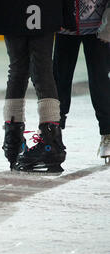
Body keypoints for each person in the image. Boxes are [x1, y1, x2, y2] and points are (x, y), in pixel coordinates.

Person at [0, 0, 75, 174]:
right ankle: (50, 141)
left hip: (11, 9)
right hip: (44, 8)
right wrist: (67, 12)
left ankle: (14, 139)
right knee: (42, 69)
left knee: (18, 69)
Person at [53, 0, 110, 164]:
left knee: (100, 80)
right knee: (59, 79)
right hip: (65, 24)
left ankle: (107, 132)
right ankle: (53, 131)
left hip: (99, 25)